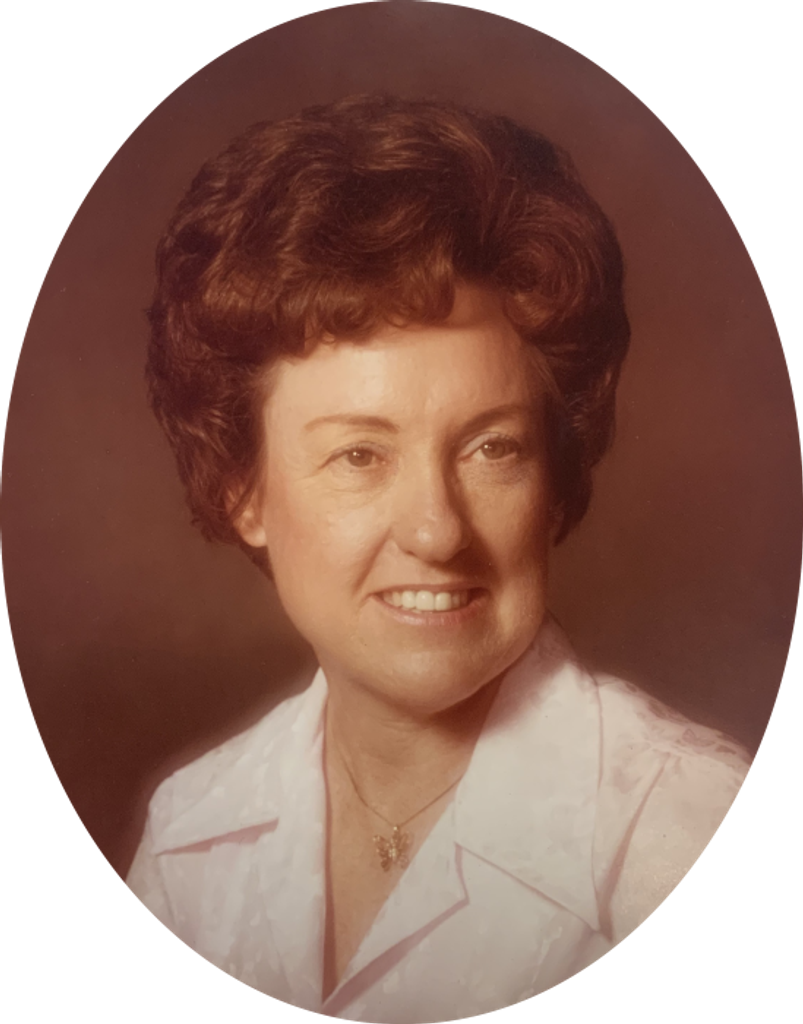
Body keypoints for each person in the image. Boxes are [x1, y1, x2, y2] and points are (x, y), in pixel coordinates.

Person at [126, 94, 750, 1019]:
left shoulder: (681, 831)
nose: (437, 530)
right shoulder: (192, 837)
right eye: (359, 455)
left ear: (554, 476)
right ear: (242, 491)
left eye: (491, 448)